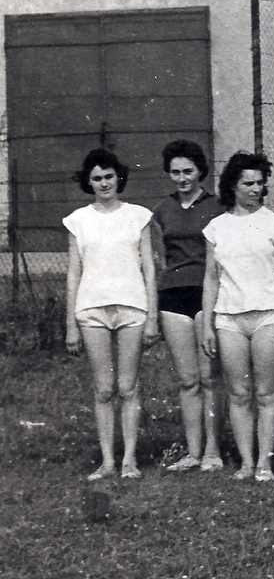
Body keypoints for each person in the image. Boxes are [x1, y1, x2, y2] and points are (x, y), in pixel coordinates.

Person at [200, 152, 274, 481]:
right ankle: (245, 462)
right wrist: (210, 326)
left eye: (259, 183)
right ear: (233, 186)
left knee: (266, 393)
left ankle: (265, 464)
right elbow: (211, 279)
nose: (256, 189)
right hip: (229, 319)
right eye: (248, 183)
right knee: (239, 394)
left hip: (268, 315)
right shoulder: (216, 228)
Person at [64, 149, 159, 480]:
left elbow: (149, 268)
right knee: (104, 389)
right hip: (92, 310)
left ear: (119, 177)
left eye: (108, 176)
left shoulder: (139, 216)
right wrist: (70, 326)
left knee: (128, 386)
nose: (104, 183)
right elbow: (73, 274)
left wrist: (153, 317)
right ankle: (107, 461)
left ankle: (130, 460)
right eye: (96, 178)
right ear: (88, 182)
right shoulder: (78, 220)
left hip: (132, 307)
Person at [150, 139, 226, 472]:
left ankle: (213, 451)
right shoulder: (162, 210)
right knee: (187, 381)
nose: (182, 178)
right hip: (172, 297)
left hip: (206, 295)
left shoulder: (218, 205)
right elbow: (158, 258)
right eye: (175, 172)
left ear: (200, 172)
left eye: (188, 171)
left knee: (211, 378)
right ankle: (193, 453)